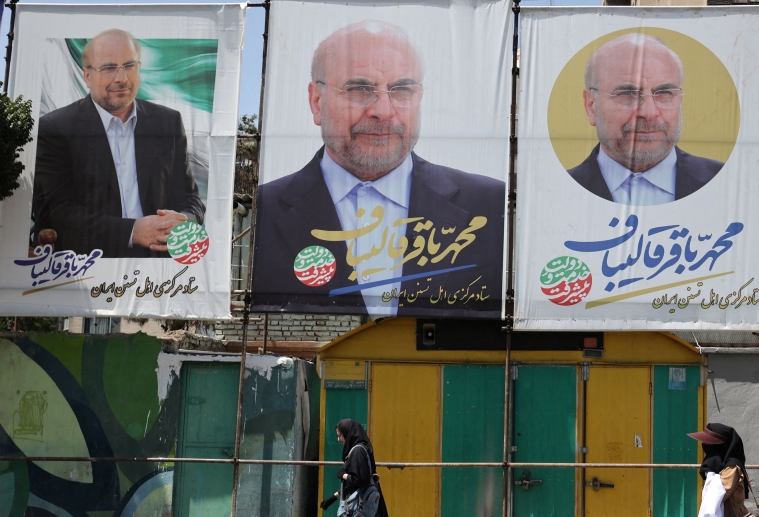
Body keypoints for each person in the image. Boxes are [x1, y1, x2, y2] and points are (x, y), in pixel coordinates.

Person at [253, 20, 505, 316]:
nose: (383, 111)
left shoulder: (492, 208)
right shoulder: (261, 214)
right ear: (317, 102)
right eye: (360, 89)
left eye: (402, 90)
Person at [31, 29, 205, 258]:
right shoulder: (56, 129)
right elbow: (58, 214)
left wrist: (182, 221)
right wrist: (133, 231)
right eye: (109, 67)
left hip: (159, 270)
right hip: (86, 270)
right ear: (87, 75)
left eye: (129, 65)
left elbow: (191, 200)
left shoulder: (168, 123)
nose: (121, 78)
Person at [567, 33, 723, 206]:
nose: (649, 112)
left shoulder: (729, 184)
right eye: (628, 94)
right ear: (591, 106)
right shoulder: (554, 191)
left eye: (664, 93)